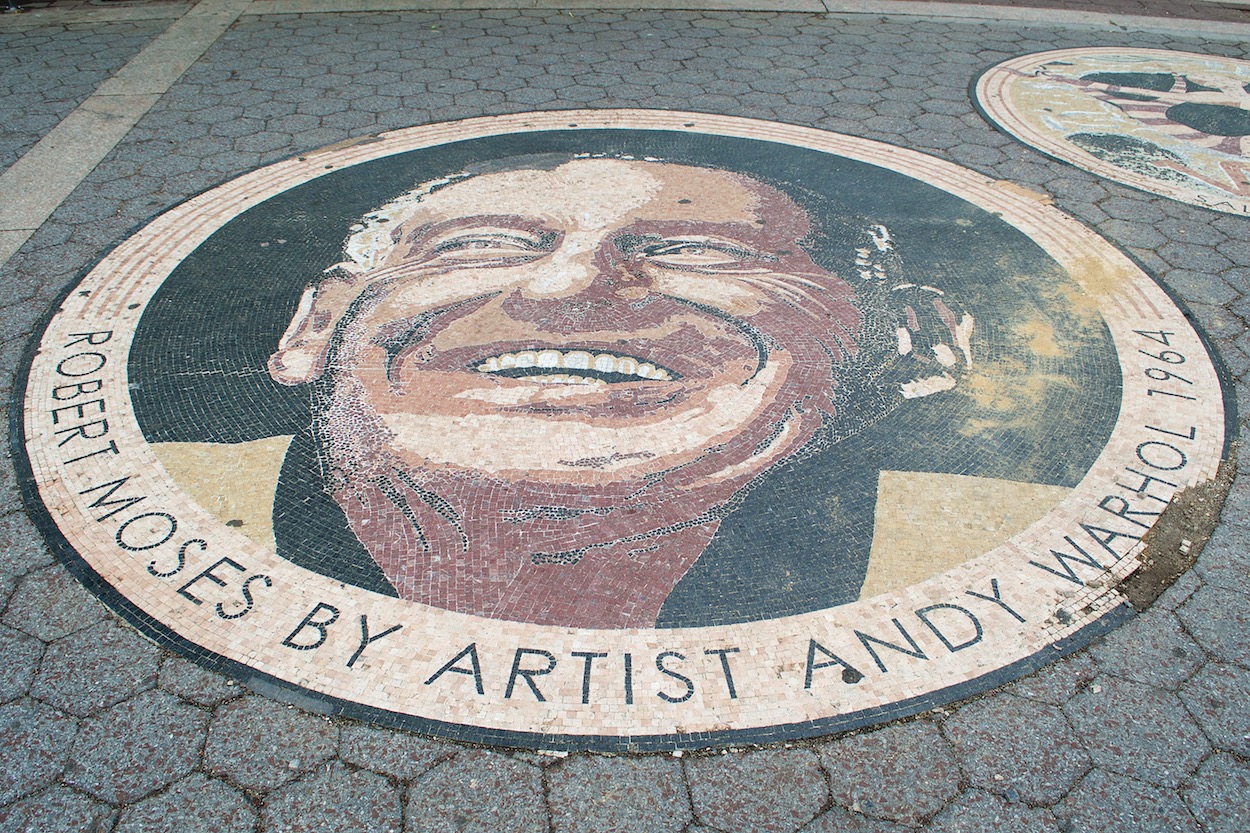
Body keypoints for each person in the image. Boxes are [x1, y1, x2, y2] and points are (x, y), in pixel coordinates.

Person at [267, 155, 973, 628]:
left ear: (915, 336)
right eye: (480, 242)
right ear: (317, 325)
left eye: (696, 248)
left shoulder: (958, 552)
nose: (568, 286)